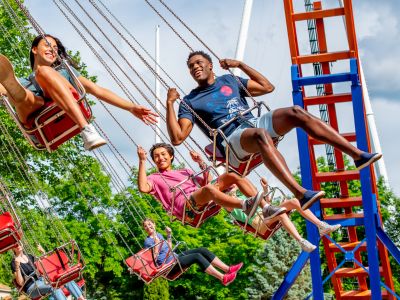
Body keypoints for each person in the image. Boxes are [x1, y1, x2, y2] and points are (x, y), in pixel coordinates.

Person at [165, 50, 382, 210]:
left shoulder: (229, 80)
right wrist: (170, 104)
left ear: (210, 65)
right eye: (191, 66)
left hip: (252, 123)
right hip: (231, 139)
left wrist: (240, 64)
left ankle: (357, 155)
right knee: (260, 135)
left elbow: (267, 87)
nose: (195, 68)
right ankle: (301, 193)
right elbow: (177, 138)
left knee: (295, 112)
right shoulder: (190, 101)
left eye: (199, 63)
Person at [0, 34, 158, 150]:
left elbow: (97, 90)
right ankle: (15, 91)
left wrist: (130, 107)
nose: (52, 50)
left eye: (55, 48)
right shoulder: (24, 82)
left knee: (44, 73)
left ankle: (87, 130)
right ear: (34, 49)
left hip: (64, 105)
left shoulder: (64, 71)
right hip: (37, 118)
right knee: (22, 97)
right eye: (47, 45)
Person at [137, 143, 286, 224]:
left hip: (200, 198)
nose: (160, 158)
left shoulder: (186, 171)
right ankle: (244, 205)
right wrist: (142, 161)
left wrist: (201, 162)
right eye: (156, 156)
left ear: (171, 156)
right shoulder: (154, 178)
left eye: (163, 154)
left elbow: (209, 183)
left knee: (232, 176)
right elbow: (143, 187)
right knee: (208, 189)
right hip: (186, 207)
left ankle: (266, 207)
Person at [227, 178, 341, 252]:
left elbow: (266, 204)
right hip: (259, 223)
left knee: (295, 201)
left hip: (266, 214)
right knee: (281, 214)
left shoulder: (244, 197)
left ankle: (321, 225)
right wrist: (232, 188)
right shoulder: (227, 204)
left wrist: (265, 189)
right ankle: (301, 241)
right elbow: (230, 205)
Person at [142, 217, 241, 286]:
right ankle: (223, 278)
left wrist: (169, 235)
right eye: (145, 226)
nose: (148, 227)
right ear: (144, 229)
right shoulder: (147, 242)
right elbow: (153, 260)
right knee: (196, 256)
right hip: (168, 267)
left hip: (175, 257)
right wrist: (156, 246)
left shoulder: (159, 234)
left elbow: (169, 249)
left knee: (202, 250)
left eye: (150, 224)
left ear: (154, 224)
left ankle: (228, 269)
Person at [11, 243, 85, 300]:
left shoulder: (30, 256)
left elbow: (46, 265)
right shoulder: (14, 262)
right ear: (12, 249)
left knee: (64, 278)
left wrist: (43, 252)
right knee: (53, 286)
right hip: (31, 287)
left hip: (42, 281)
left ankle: (81, 298)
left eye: (19, 243)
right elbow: (21, 283)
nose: (18, 246)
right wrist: (17, 267)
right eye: (15, 245)